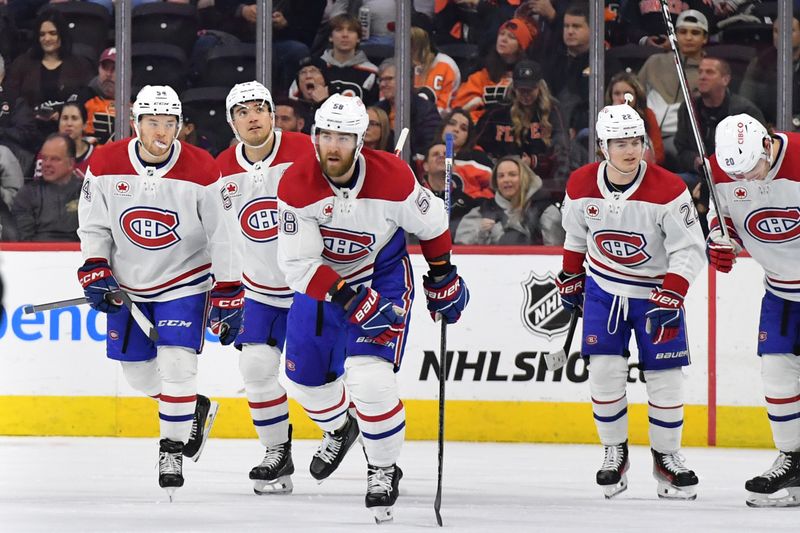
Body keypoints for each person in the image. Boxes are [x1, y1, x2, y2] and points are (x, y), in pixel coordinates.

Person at [276, 94, 469, 522]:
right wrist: (349, 297)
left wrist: (442, 276)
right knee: (305, 383)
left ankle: (382, 467)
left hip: (381, 278)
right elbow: (299, 267)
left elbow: (433, 224)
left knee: (369, 378)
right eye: (325, 134)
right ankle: (340, 429)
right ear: (314, 137)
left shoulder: (393, 178)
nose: (332, 145)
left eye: (343, 136)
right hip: (324, 285)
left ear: (360, 140)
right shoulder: (294, 184)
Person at [77, 85, 243, 498]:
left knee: (177, 364)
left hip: (184, 280)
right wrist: (96, 265)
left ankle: (171, 448)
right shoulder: (105, 163)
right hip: (128, 284)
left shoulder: (203, 168)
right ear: (136, 123)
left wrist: (227, 286)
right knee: (137, 374)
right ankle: (192, 409)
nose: (162, 132)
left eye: (170, 123)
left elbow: (222, 235)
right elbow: (94, 225)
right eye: (153, 122)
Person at [557, 102, 705, 501]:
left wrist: (673, 290)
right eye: (620, 142)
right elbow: (575, 236)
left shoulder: (669, 188)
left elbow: (690, 249)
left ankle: (667, 458)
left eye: (636, 140)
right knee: (604, 372)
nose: (630, 149)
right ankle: (614, 453)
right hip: (604, 289)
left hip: (657, 293)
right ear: (603, 146)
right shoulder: (580, 184)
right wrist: (571, 276)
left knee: (666, 379)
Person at [215, 81, 315, 495]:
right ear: (231, 121)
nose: (252, 116)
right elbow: (217, 234)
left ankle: (375, 455)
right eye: (242, 111)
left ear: (274, 115)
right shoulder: (221, 168)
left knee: (326, 380)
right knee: (255, 370)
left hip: (312, 284)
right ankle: (277, 455)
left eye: (260, 108)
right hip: (258, 290)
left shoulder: (307, 150)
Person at [707, 114, 800, 507]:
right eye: (737, 175)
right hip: (780, 289)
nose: (746, 181)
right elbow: (720, 215)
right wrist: (718, 238)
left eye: (752, 171)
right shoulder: (722, 170)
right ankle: (793, 462)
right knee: (777, 376)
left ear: (767, 145)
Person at [476, 59, 570, 200]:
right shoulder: (498, 110)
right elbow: (477, 145)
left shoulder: (553, 111)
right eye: (521, 90)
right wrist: (497, 165)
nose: (526, 95)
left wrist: (535, 161)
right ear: (514, 87)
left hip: (542, 184)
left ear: (539, 87)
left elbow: (562, 150)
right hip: (502, 181)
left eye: (530, 90)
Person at [673, 57, 764, 184]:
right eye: (700, 72)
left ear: (725, 80)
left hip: (737, 176)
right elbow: (681, 149)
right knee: (675, 183)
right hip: (698, 174)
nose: (702, 77)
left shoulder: (745, 111)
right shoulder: (688, 107)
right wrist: (696, 161)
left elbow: (760, 150)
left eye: (709, 72)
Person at [4, 9, 92, 138]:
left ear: (61, 35)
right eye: (42, 34)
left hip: (69, 131)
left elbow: (86, 97)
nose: (47, 38)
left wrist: (62, 113)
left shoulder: (80, 65)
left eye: (52, 33)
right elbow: (11, 98)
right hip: (30, 131)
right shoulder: (21, 64)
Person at [637, 9, 708, 161]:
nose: (688, 37)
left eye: (695, 33)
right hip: (647, 132)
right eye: (683, 32)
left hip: (684, 138)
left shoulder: (708, 69)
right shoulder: (655, 62)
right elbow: (635, 94)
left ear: (705, 38)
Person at [454, 155, 564, 245]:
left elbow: (555, 255)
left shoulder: (546, 211)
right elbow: (462, 253)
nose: (506, 180)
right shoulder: (481, 212)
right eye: (501, 176)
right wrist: (480, 233)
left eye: (512, 174)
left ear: (524, 177)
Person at [452, 17, 535, 123]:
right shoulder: (482, 74)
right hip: (483, 131)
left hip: (514, 131)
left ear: (521, 46)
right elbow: (457, 111)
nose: (503, 39)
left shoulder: (529, 78)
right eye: (502, 34)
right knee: (449, 135)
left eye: (511, 37)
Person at [12, 133, 81, 241]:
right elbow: (25, 240)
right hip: (37, 254)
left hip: (80, 254)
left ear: (71, 163)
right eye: (44, 158)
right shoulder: (27, 194)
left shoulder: (85, 193)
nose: (47, 164)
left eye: (55, 159)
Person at [605, 72, 664, 166]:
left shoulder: (647, 115)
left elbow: (658, 154)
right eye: (617, 93)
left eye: (627, 94)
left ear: (637, 95)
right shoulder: (604, 118)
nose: (622, 98)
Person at [33, 101, 95, 180]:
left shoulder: (97, 156)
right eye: (65, 118)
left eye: (74, 118)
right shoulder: (45, 153)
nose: (69, 124)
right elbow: (39, 188)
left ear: (84, 125)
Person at [83, 47, 117, 145]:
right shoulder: (83, 100)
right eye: (105, 67)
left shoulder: (137, 105)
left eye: (114, 68)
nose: (108, 74)